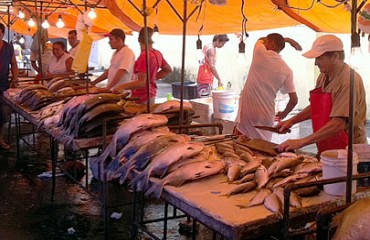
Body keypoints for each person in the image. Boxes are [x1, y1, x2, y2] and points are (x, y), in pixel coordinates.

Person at [277, 35, 367, 154]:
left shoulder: (349, 81)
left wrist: (301, 142)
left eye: (319, 58)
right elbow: (316, 107)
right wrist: (291, 121)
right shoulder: (323, 76)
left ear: (335, 57)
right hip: (327, 143)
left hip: (350, 150)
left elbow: (338, 124)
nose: (316, 63)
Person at [234, 33, 301, 141]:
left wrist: (287, 40)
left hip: (249, 112)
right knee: (262, 147)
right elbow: (294, 100)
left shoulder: (260, 53)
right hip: (266, 116)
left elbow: (261, 39)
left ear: (272, 44)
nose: (265, 44)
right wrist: (283, 114)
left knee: (242, 145)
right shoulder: (287, 70)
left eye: (267, 42)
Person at [114, 27, 172, 105]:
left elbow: (141, 82)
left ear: (138, 39)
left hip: (142, 96)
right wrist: (152, 77)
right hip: (151, 94)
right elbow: (167, 70)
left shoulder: (144, 56)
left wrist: (122, 86)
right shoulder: (157, 53)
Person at [0, 23, 18, 149]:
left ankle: (0, 138)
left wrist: (15, 78)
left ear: (2, 33)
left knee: (3, 114)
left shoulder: (8, 47)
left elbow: (14, 64)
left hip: (4, 85)